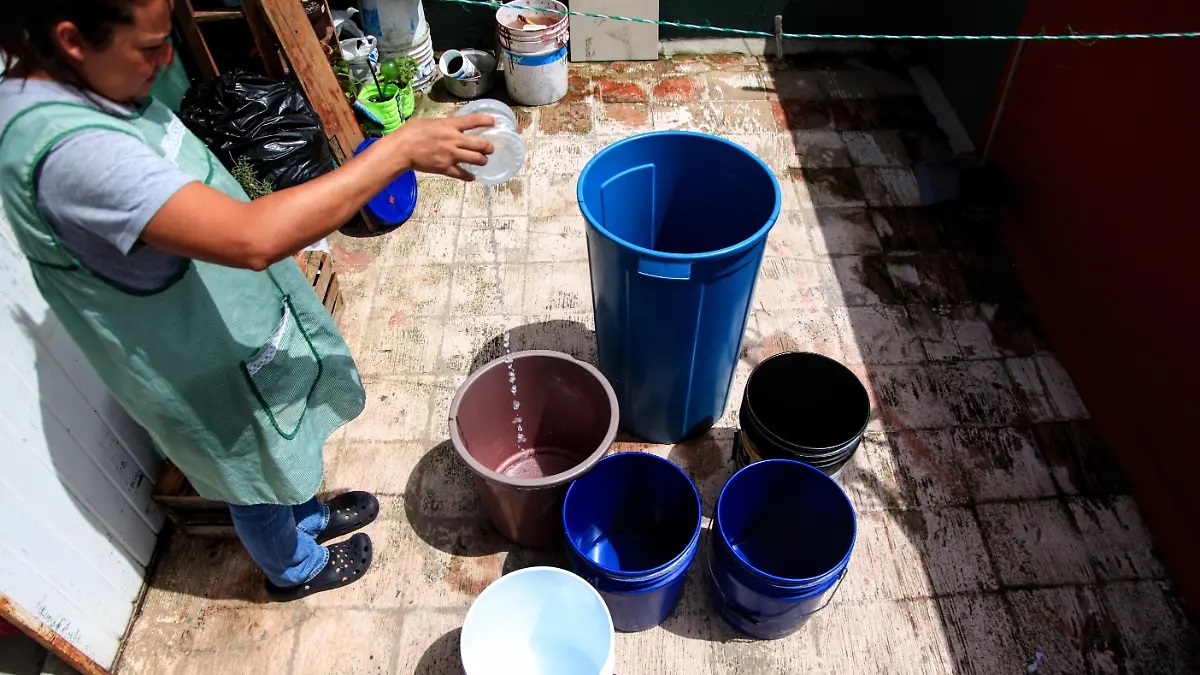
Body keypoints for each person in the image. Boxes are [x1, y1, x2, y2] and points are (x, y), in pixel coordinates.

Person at [0, 0, 495, 601]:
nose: (165, 60)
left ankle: (303, 517)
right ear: (72, 37)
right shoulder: (75, 152)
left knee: (276, 447)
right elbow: (251, 237)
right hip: (192, 359)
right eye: (151, 46)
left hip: (218, 322)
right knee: (252, 473)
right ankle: (294, 569)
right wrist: (396, 150)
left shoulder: (75, 81)